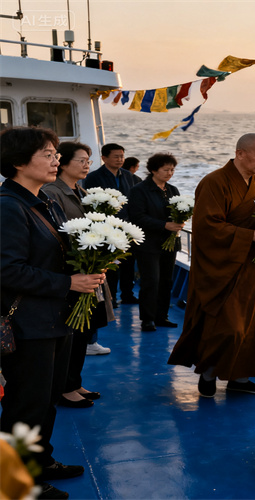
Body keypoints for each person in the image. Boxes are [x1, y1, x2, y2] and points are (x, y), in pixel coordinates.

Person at [0, 126, 105, 500]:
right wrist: (68, 283)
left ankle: (40, 461)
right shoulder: (9, 206)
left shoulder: (43, 200)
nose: (55, 160)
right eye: (47, 154)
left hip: (54, 321)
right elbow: (7, 270)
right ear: (18, 162)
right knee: (25, 405)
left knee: (45, 401)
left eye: (56, 154)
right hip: (28, 325)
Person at [168, 133, 255, 397]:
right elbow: (207, 226)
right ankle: (208, 373)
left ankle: (240, 377)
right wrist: (250, 236)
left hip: (252, 267)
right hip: (222, 267)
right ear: (240, 153)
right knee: (228, 326)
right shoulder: (214, 182)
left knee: (251, 324)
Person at [42, 141, 114, 409]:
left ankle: (74, 382)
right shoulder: (53, 192)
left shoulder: (81, 191)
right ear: (63, 163)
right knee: (72, 333)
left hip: (88, 270)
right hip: (73, 273)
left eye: (88, 161)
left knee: (83, 331)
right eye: (81, 160)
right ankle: (64, 388)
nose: (86, 165)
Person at [127, 153, 183, 332]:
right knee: (151, 281)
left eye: (172, 170)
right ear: (153, 170)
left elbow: (178, 210)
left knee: (166, 281)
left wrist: (180, 220)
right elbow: (137, 217)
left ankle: (162, 316)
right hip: (148, 243)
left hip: (169, 243)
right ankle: (148, 319)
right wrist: (164, 225)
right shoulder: (139, 190)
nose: (170, 173)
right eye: (166, 169)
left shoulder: (172, 190)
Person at [83, 143, 138, 306]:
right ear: (104, 158)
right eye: (116, 156)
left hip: (126, 226)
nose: (120, 159)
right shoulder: (93, 177)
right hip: (106, 228)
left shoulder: (128, 176)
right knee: (110, 264)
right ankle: (111, 297)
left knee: (128, 263)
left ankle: (127, 294)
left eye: (122, 156)